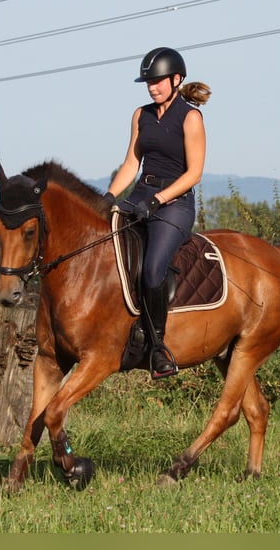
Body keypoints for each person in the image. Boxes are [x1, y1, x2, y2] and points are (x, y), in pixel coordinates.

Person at [105, 46, 211, 380]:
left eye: (158, 81)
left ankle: (158, 348)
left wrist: (159, 200)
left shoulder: (190, 117)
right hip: (140, 195)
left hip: (175, 204)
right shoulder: (141, 115)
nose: (152, 87)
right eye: (148, 82)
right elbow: (131, 164)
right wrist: (109, 196)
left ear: (176, 79)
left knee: (152, 270)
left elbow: (194, 173)